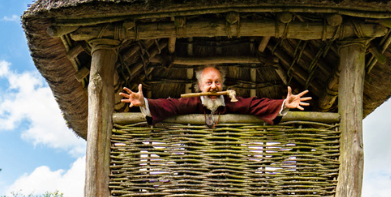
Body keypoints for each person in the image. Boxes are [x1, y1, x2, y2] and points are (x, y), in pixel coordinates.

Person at [120, 65, 310, 128]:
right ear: (200, 86)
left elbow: (256, 105)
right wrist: (143, 102)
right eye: (208, 83)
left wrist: (284, 104)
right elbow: (170, 105)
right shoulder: (191, 102)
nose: (213, 87)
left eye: (217, 82)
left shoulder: (230, 101)